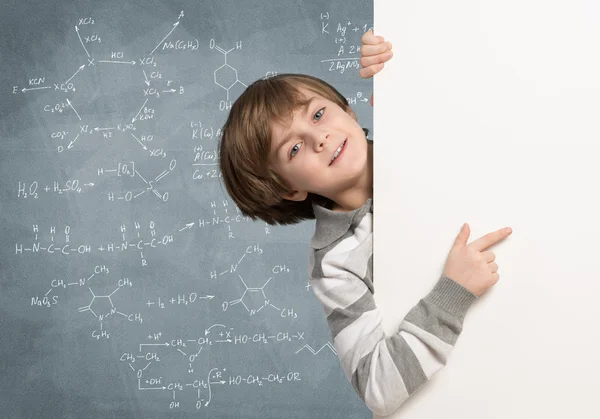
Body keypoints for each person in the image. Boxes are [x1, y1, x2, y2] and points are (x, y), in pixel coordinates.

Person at [218, 29, 512, 416]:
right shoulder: (335, 264)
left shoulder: (415, 123)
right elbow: (378, 387)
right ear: (289, 189)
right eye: (293, 148)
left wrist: (403, 57)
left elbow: (489, 80)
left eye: (319, 114)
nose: (319, 138)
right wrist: (452, 292)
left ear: (349, 111)